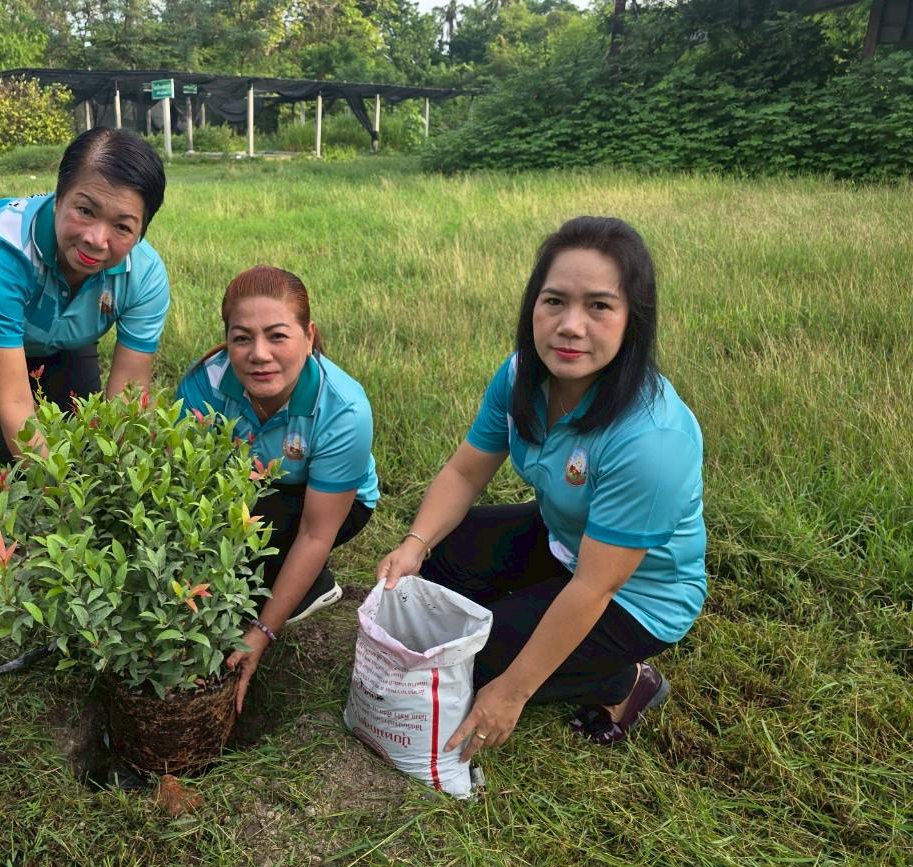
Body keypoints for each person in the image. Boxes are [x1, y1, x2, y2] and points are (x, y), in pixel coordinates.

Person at [377, 216, 705, 755]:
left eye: (599, 306)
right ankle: (522, 623)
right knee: (439, 562)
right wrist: (415, 544)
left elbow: (595, 587)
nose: (570, 325)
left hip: (636, 594)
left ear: (633, 320)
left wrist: (512, 690)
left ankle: (623, 682)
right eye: (555, 301)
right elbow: (465, 472)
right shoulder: (520, 376)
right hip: (565, 536)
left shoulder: (653, 440)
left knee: (476, 667)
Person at [0, 127, 168, 480]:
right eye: (85, 210)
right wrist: (64, 498)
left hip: (56, 329)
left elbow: (128, 396)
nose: (96, 239)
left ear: (142, 231)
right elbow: (14, 404)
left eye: (122, 227)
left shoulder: (145, 275)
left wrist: (119, 484)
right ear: (58, 197)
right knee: (6, 451)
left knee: (83, 432)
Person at [178, 266, 380, 712]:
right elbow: (185, 490)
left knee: (250, 561)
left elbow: (315, 532)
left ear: (309, 337)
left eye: (277, 336)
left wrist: (262, 633)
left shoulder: (344, 409)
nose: (259, 354)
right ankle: (292, 579)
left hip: (330, 505)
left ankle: (309, 585)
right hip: (246, 491)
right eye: (242, 338)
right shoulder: (204, 385)